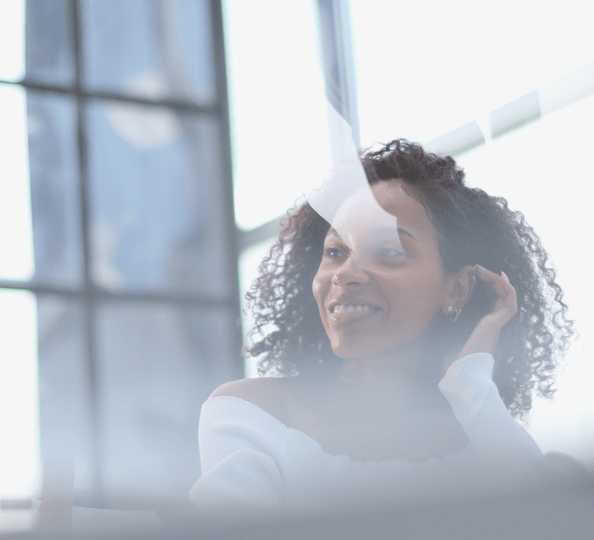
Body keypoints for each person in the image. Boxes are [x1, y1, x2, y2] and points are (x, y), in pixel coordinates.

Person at [189, 139, 576, 512]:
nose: (345, 273)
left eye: (388, 251)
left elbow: (554, 520)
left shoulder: (484, 437)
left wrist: (471, 383)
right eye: (335, 251)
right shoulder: (253, 414)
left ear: (456, 289)